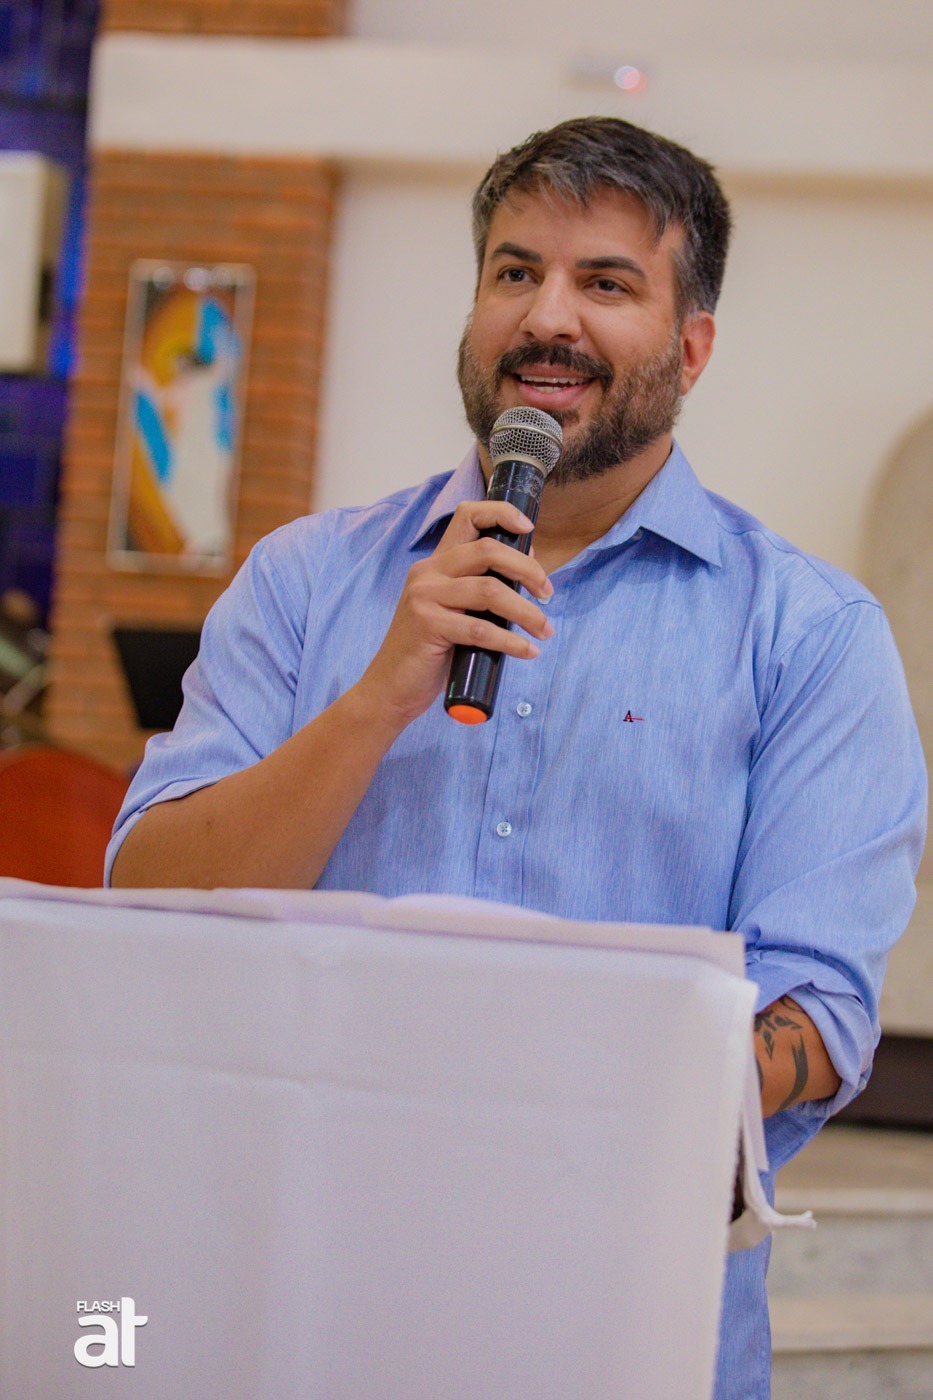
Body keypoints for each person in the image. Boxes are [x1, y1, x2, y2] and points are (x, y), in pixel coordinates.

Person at [106, 118, 927, 1397]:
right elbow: (148, 902)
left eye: (606, 282)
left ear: (691, 347)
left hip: (622, 1321)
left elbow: (817, 1009)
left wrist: (529, 1105)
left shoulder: (811, 635)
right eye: (514, 270)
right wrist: (377, 699)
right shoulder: (304, 582)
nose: (547, 317)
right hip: (294, 1308)